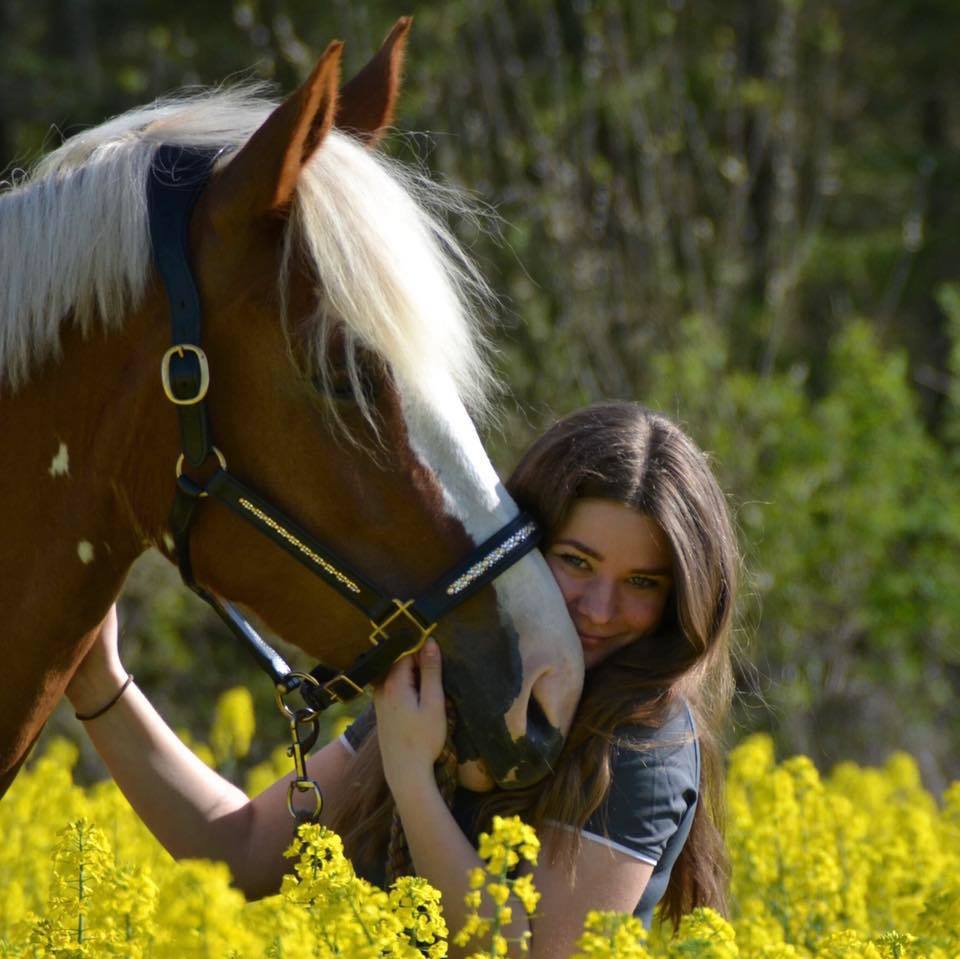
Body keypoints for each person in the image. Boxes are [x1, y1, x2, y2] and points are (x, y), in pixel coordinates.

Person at [66, 402, 738, 956]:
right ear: (519, 549)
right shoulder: (460, 687)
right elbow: (238, 850)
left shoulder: (643, 744)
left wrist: (414, 781)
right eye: (576, 562)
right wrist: (101, 682)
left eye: (641, 583)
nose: (600, 609)